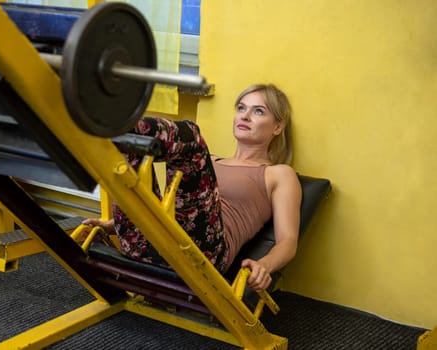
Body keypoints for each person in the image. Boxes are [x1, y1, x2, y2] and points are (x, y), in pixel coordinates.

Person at [83, 83, 302, 292]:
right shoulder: (208, 162)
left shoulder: (278, 173)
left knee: (191, 137)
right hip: (144, 242)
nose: (245, 116)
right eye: (241, 108)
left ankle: (112, 125)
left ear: (278, 126)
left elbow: (288, 241)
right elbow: (172, 204)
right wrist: (112, 225)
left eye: (258, 111)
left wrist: (264, 265)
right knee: (131, 153)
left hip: (201, 254)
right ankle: (104, 131)